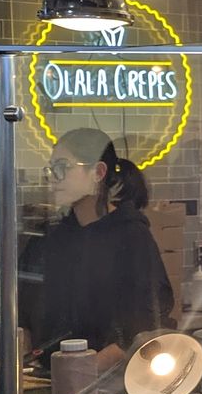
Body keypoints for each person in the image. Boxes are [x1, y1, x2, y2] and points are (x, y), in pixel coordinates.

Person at [23, 129, 174, 373]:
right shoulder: (51, 238)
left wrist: (82, 372)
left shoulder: (131, 235)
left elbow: (143, 321)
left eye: (63, 167)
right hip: (46, 380)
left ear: (98, 172)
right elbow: (24, 311)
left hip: (108, 384)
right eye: (51, 169)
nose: (53, 178)